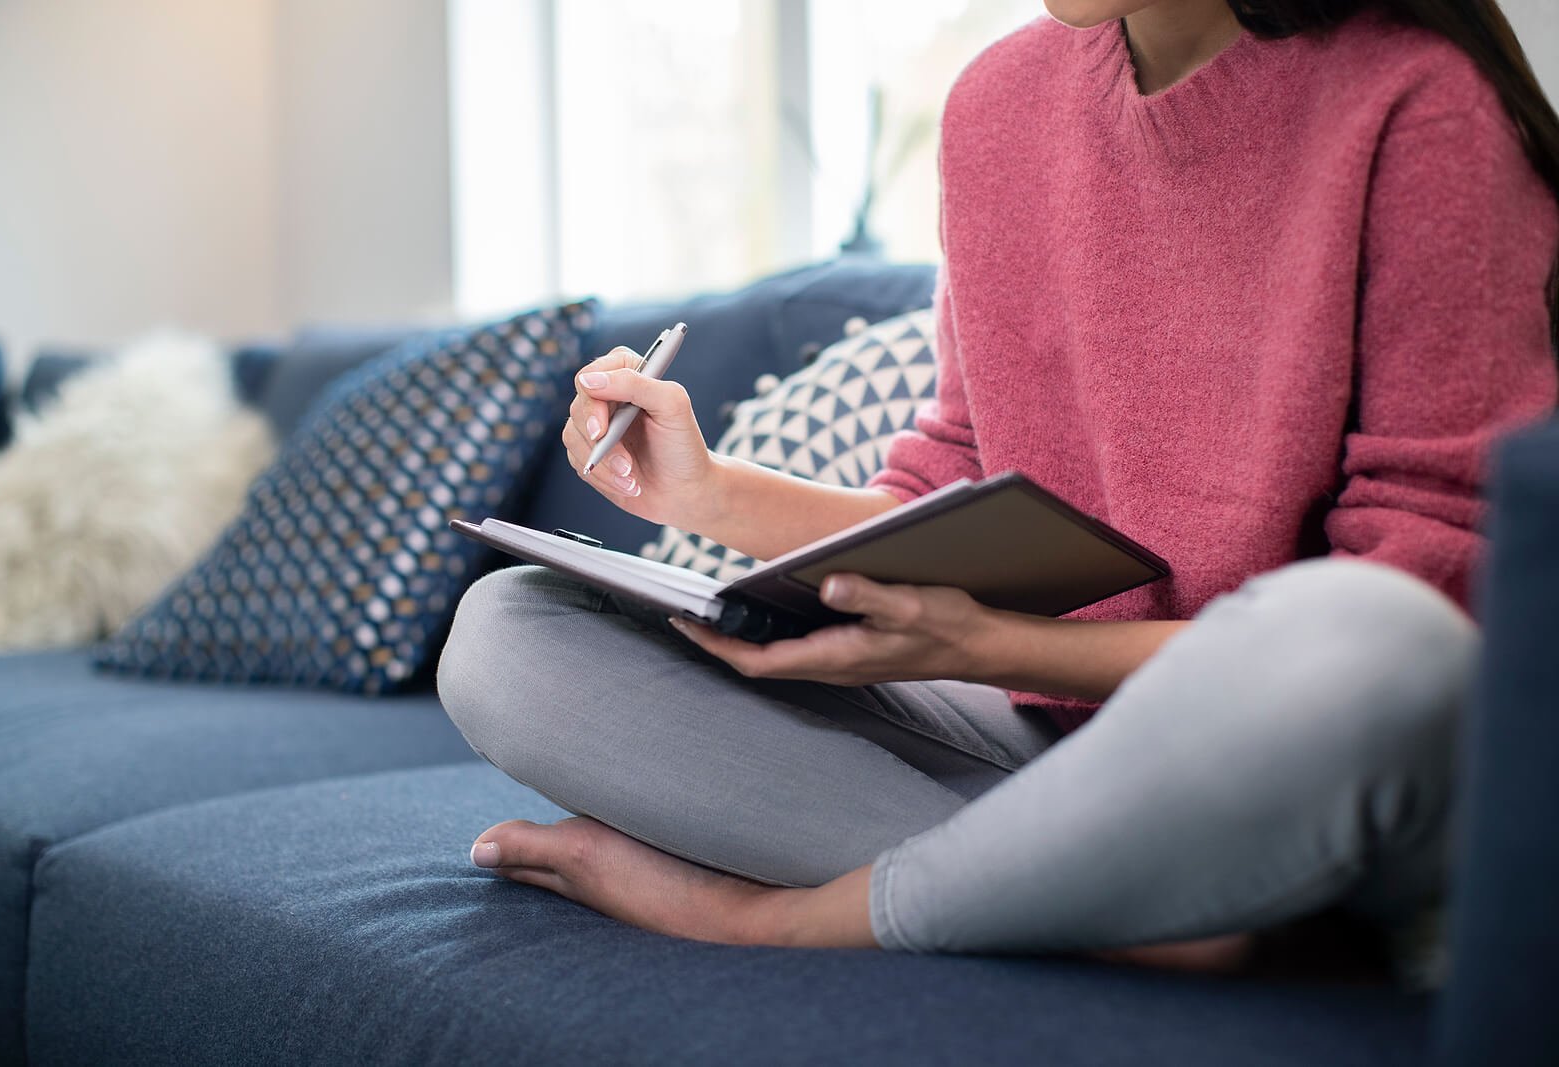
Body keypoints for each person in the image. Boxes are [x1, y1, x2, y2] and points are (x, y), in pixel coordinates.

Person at [436, 0, 1559, 975]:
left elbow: (1439, 594)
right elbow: (953, 484)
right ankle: (1161, 903)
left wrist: (984, 646)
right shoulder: (997, 107)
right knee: (508, 634)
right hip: (1042, 737)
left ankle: (780, 920)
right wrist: (706, 496)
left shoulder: (1418, 104)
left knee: (1367, 641)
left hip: (1288, 733)